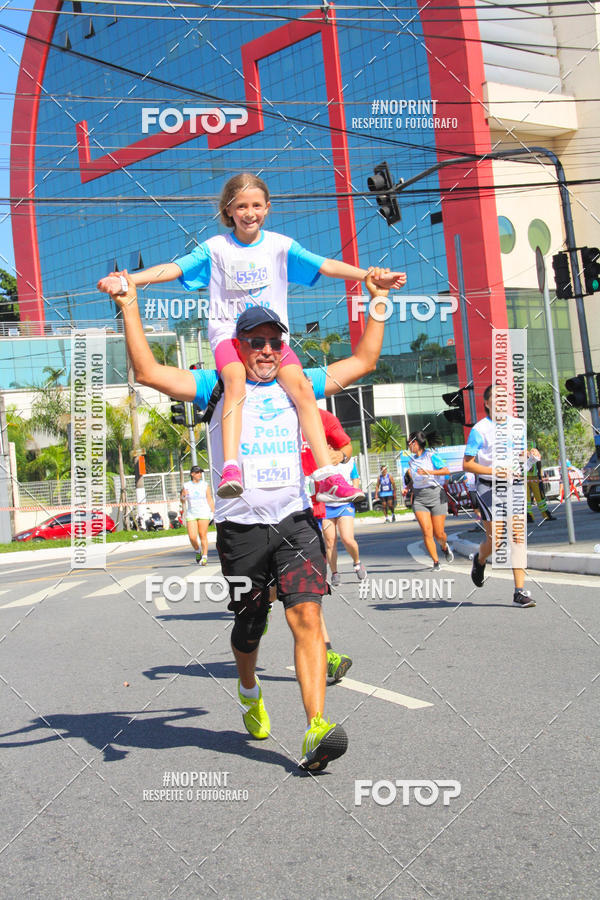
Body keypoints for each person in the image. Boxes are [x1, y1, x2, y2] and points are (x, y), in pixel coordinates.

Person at [110, 266, 399, 771]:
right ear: (238, 346)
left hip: (294, 520)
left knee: (306, 614)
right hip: (241, 529)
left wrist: (376, 301)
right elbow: (151, 372)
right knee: (250, 625)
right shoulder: (214, 386)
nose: (266, 349)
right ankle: (249, 688)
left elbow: (365, 360)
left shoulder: (299, 384)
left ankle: (315, 729)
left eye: (273, 341)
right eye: (255, 341)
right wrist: (129, 303)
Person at [98, 173, 404, 502]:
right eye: (241, 206)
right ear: (228, 210)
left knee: (301, 385)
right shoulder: (216, 249)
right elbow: (174, 269)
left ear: (268, 208)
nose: (250, 212)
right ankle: (231, 466)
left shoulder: (279, 247)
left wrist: (370, 277)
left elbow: (325, 265)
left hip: (273, 335)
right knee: (234, 381)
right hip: (230, 338)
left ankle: (325, 474)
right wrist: (131, 282)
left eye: (257, 205)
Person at [463, 385, 534, 608]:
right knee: (498, 539)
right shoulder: (480, 430)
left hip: (513, 485)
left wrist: (529, 455)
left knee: (518, 537)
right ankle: (480, 559)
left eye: (505, 397)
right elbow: (467, 464)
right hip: (488, 487)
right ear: (487, 403)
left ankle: (519, 592)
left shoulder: (518, 425)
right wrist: (495, 471)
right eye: (496, 398)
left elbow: (519, 453)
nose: (502, 401)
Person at [300, 408, 354, 684]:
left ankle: (327, 655)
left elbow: (347, 446)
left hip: (311, 511)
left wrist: (339, 456)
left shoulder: (322, 417)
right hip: (270, 515)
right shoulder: (269, 414)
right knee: (268, 595)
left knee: (309, 590)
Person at [406, 431, 453, 571]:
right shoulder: (411, 460)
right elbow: (416, 478)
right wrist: (408, 487)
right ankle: (436, 561)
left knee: (439, 534)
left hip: (436, 495)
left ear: (415, 443)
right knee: (427, 531)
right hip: (419, 498)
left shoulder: (431, 456)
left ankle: (444, 547)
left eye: (409, 443)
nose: (408, 446)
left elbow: (446, 471)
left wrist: (428, 471)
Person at [322, 456, 367, 585]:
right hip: (327, 504)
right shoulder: (322, 458)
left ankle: (357, 563)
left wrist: (354, 491)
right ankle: (335, 573)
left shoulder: (349, 461)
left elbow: (355, 477)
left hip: (344, 504)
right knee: (330, 542)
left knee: (347, 538)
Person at [180, 466, 215, 564]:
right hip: (192, 513)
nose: (199, 474)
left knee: (202, 534)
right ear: (192, 474)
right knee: (192, 537)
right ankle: (197, 551)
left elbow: (209, 499)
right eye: (197, 472)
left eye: (200, 472)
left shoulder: (205, 485)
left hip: (204, 512)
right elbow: (182, 500)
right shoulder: (186, 485)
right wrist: (183, 495)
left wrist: (213, 511)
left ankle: (204, 556)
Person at [526, 447, 556, 523]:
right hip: (523, 477)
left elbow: (538, 460)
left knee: (540, 497)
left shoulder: (532, 445)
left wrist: (540, 474)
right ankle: (528, 515)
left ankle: (545, 514)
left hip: (534, 477)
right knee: (526, 498)